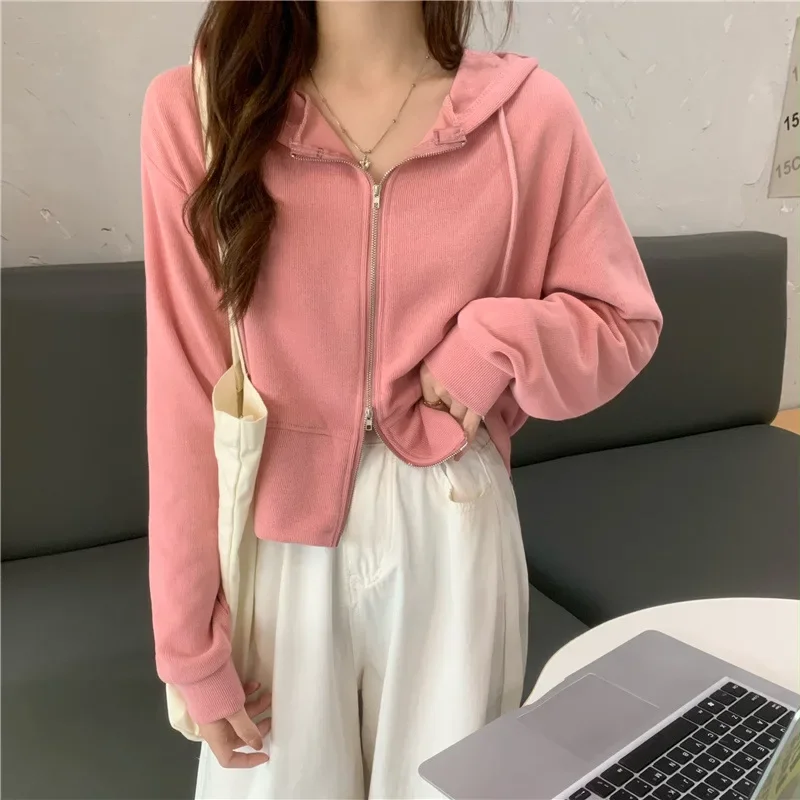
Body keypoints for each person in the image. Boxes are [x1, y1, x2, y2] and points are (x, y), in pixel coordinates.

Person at [141, 1, 663, 798]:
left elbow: (624, 322)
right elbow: (183, 387)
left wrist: (493, 345)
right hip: (279, 543)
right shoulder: (200, 112)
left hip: (451, 530)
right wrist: (186, 644)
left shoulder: (527, 117)